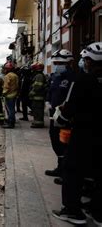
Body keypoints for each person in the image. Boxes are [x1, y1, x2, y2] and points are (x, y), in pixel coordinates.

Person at [52, 43, 102, 225]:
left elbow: (69, 107)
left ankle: (73, 211)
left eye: (85, 59)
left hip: (83, 133)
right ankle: (97, 211)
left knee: (72, 170)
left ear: (90, 61)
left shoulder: (82, 81)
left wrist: (61, 120)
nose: (84, 63)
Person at [44, 49, 75, 184]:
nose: (57, 65)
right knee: (55, 141)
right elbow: (51, 91)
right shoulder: (55, 77)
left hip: (65, 117)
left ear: (69, 63)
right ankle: (59, 167)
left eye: (60, 63)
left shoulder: (72, 78)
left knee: (65, 144)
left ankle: (65, 172)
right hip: (53, 115)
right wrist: (48, 102)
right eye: (56, 62)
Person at [28, 62, 47, 128]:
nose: (32, 70)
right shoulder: (39, 75)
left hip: (38, 97)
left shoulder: (39, 76)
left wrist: (31, 93)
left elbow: (37, 87)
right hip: (37, 97)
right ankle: (37, 122)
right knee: (36, 111)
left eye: (33, 68)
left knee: (38, 111)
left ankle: (39, 123)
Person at [2, 62, 19, 129]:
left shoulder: (7, 76)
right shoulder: (15, 75)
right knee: (12, 109)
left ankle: (11, 123)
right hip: (14, 93)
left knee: (10, 110)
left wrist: (3, 93)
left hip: (9, 95)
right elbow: (17, 85)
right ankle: (11, 120)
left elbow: (6, 86)